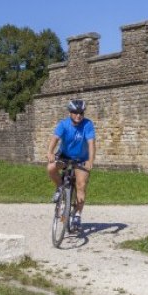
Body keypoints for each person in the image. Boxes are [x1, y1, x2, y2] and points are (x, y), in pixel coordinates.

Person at [47, 99, 96, 231]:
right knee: (51, 168)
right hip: (64, 156)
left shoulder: (88, 124)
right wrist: (50, 152)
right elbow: (55, 139)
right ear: (70, 113)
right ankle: (59, 187)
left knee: (81, 185)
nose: (78, 115)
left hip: (81, 158)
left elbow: (91, 143)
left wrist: (90, 160)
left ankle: (77, 216)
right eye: (75, 112)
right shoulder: (63, 124)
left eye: (81, 113)